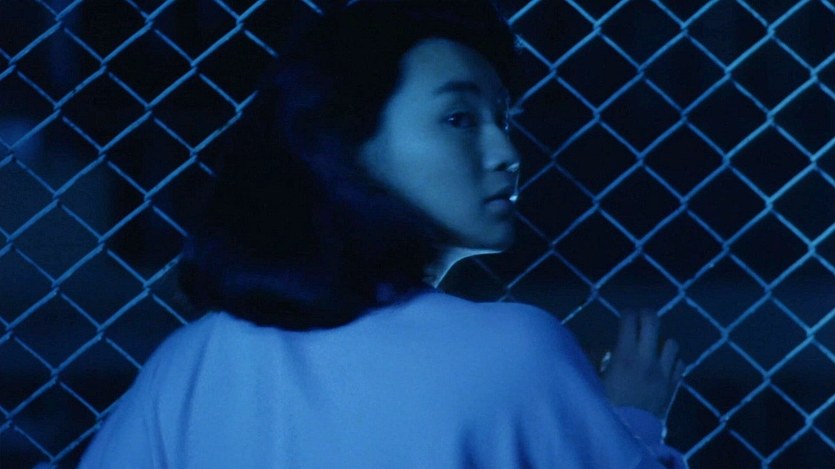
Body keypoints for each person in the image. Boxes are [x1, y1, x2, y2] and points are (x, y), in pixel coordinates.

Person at [80, 1, 686, 467]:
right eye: (459, 118)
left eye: (503, 119)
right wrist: (630, 425)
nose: (508, 152)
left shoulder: (190, 363)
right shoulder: (515, 350)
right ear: (349, 141)